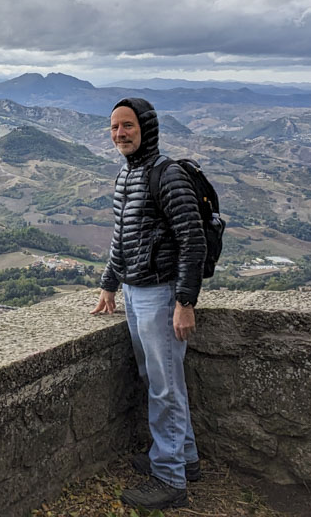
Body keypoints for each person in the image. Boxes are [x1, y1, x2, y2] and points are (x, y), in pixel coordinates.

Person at [92, 96, 206, 511]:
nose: (120, 134)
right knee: (159, 378)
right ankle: (184, 459)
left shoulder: (167, 175)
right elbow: (121, 239)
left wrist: (185, 301)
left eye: (128, 126)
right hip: (134, 291)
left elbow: (191, 239)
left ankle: (170, 478)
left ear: (147, 129)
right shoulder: (126, 176)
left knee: (164, 385)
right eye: (114, 128)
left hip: (161, 293)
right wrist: (109, 286)